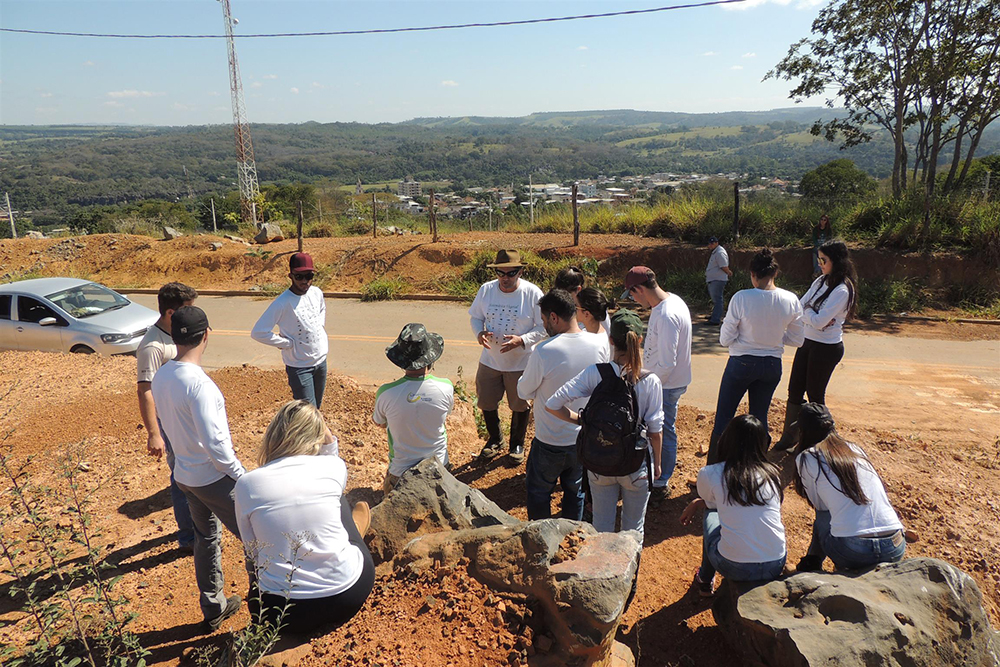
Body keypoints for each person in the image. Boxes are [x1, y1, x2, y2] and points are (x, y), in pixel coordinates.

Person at [235, 401, 375, 635]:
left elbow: (252, 550)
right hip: (347, 595)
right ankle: (352, 536)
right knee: (337, 498)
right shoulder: (332, 468)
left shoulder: (246, 485)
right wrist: (328, 439)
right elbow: (331, 456)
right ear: (317, 436)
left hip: (280, 614)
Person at [151, 306, 246, 630]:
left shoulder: (162, 374)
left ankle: (213, 606)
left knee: (206, 538)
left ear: (174, 336)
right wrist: (242, 476)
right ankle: (269, 606)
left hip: (185, 476)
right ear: (207, 334)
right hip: (213, 477)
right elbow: (216, 446)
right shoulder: (201, 386)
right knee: (256, 537)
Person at [546, 309, 664, 540]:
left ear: (611, 340)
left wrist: (581, 420)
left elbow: (552, 404)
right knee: (633, 530)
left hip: (599, 462)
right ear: (639, 340)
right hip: (636, 465)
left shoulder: (595, 373)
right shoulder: (651, 381)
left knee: (601, 528)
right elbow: (655, 431)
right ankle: (630, 576)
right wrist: (657, 464)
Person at [517, 289, 609, 521]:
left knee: (539, 492)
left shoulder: (545, 350)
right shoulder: (599, 344)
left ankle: (541, 540)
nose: (544, 324)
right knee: (575, 492)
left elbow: (524, 391)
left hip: (550, 439)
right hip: (582, 439)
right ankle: (571, 537)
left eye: (545, 319)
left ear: (555, 318)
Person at [708, 249, 804, 462]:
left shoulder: (742, 298)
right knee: (759, 417)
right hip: (771, 365)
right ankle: (755, 467)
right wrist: (776, 338)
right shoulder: (790, 299)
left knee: (724, 417)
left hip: (741, 363)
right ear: (775, 274)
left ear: (753, 274)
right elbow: (797, 340)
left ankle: (714, 471)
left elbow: (725, 339)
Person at [680, 415, 786, 596]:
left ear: (727, 439)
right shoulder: (772, 474)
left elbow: (712, 503)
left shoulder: (711, 473)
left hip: (733, 565)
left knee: (711, 513)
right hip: (775, 563)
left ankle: (705, 580)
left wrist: (698, 503)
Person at [792, 403, 905, 572]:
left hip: (853, 552)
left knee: (824, 514)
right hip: (895, 546)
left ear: (803, 432)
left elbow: (821, 506)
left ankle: (812, 563)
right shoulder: (855, 449)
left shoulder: (807, 457)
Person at [775, 240, 858, 450]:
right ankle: (790, 436)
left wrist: (810, 314)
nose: (820, 263)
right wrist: (812, 314)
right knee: (794, 390)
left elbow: (818, 320)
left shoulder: (842, 290)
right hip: (808, 341)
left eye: (824, 260)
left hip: (826, 348)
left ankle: (822, 442)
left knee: (815, 396)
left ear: (836, 261)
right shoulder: (821, 281)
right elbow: (800, 306)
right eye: (818, 259)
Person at [135, 282, 198, 552]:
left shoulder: (179, 334)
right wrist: (154, 433)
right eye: (188, 310)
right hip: (169, 423)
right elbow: (144, 390)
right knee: (181, 477)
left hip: (186, 417)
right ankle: (189, 538)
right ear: (171, 313)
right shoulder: (153, 346)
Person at [468, 250, 546, 463]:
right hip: (490, 361)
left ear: (520, 271)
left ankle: (517, 444)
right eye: (500, 273)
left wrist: (522, 340)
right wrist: (479, 333)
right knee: (486, 401)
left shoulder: (532, 293)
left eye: (511, 273)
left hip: (520, 363)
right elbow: (476, 317)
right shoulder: (486, 290)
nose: (505, 278)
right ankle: (495, 439)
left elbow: (544, 327)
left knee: (520, 404)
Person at [621, 266, 691, 495]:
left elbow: (667, 363)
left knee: (661, 430)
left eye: (632, 294)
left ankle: (660, 482)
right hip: (667, 381)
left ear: (639, 289)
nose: (633, 299)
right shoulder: (672, 301)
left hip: (666, 384)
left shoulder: (666, 314)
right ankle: (657, 476)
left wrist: (646, 384)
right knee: (661, 428)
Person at [373, 323, 454, 494]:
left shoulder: (386, 392)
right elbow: (445, 415)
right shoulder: (445, 387)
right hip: (439, 467)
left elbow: (379, 423)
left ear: (400, 360)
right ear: (430, 358)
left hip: (401, 472)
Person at [251, 252, 328, 408]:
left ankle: (313, 432)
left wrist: (319, 328)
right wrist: (286, 343)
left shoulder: (316, 293)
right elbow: (258, 332)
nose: (305, 281)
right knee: (307, 411)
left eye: (309, 275)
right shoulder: (282, 303)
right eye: (299, 277)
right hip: (300, 366)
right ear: (290, 276)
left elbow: (322, 309)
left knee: (316, 408)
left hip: (321, 361)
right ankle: (306, 432)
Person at [556, 266, 611, 332]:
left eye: (566, 294)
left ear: (578, 289)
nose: (562, 298)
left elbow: (606, 332)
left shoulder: (594, 305)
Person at [574, 287, 612, 357]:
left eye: (575, 307)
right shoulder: (600, 335)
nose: (573, 310)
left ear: (587, 314)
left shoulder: (595, 344)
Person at [705, 236, 732, 325]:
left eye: (713, 243)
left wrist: (728, 272)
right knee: (715, 299)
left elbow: (723, 266)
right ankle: (714, 315)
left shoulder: (720, 252)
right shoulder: (715, 252)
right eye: (710, 243)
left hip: (718, 279)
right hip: (714, 279)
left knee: (718, 299)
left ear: (717, 243)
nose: (711, 245)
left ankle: (716, 319)